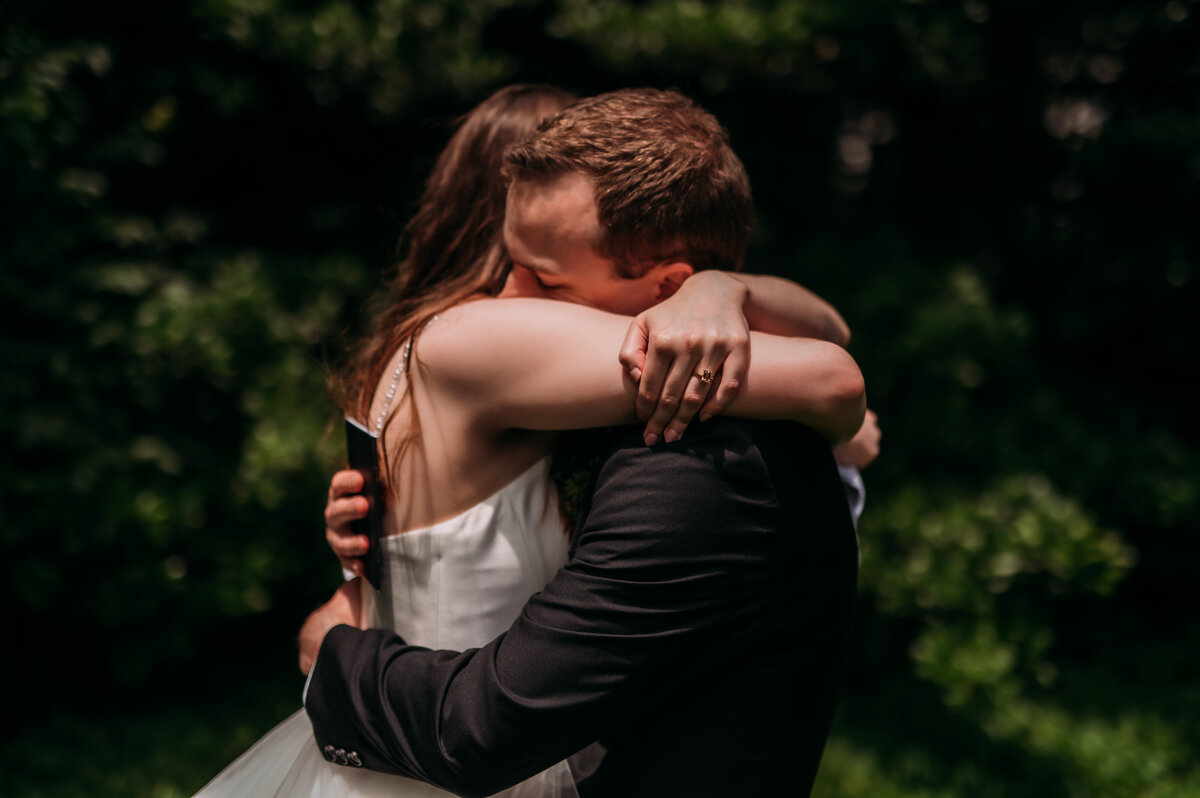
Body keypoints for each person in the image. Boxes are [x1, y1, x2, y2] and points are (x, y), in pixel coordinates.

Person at [298, 87, 866, 797]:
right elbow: (833, 372)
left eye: (546, 276)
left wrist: (722, 291)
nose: (509, 293)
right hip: (441, 740)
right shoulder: (491, 334)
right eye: (513, 259)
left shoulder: (465, 343)